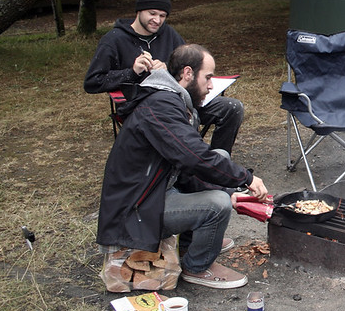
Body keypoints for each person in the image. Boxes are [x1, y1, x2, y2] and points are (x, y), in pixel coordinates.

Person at [96, 44, 269, 288]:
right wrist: (245, 179)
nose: (211, 85)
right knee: (217, 205)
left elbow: (187, 165)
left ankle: (193, 242)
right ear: (188, 73)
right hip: (136, 209)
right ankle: (197, 267)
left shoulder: (171, 99)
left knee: (220, 158)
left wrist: (230, 189)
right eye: (208, 77)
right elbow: (194, 157)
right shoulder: (161, 105)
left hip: (156, 188)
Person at [84, 0, 244, 153]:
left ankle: (218, 163)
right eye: (152, 14)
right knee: (181, 119)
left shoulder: (168, 34)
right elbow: (93, 82)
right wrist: (131, 73)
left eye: (162, 16)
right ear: (139, 11)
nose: (157, 20)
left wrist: (169, 69)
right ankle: (194, 164)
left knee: (232, 108)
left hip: (180, 100)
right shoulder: (114, 40)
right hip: (142, 108)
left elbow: (189, 66)